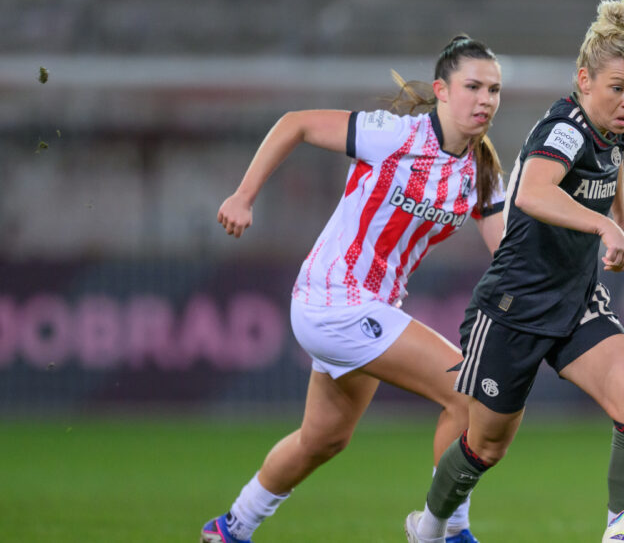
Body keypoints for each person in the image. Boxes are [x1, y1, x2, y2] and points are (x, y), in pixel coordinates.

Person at [200, 35, 505, 543]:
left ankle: (231, 527)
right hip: (333, 298)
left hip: (368, 310)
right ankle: (446, 531)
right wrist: (243, 195)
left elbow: (507, 252)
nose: (485, 99)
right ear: (442, 91)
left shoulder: (482, 172)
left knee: (323, 439)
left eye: (494, 89)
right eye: (472, 86)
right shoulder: (394, 135)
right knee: (467, 394)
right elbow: (294, 123)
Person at [405, 0, 624, 543]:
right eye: (618, 87)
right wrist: (602, 228)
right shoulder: (563, 128)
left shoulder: (616, 127)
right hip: (514, 306)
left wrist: (622, 216)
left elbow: (611, 163)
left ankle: (623, 533)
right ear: (584, 80)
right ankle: (428, 530)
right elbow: (533, 192)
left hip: (575, 299)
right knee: (485, 447)